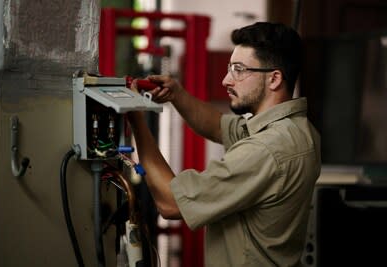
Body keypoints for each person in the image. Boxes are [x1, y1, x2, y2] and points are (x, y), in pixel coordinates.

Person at [127, 22, 321, 267]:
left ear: (274, 79)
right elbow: (218, 125)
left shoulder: (266, 149)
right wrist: (177, 94)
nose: (226, 80)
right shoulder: (298, 129)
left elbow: (170, 203)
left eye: (239, 70)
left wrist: (137, 121)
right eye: (230, 68)